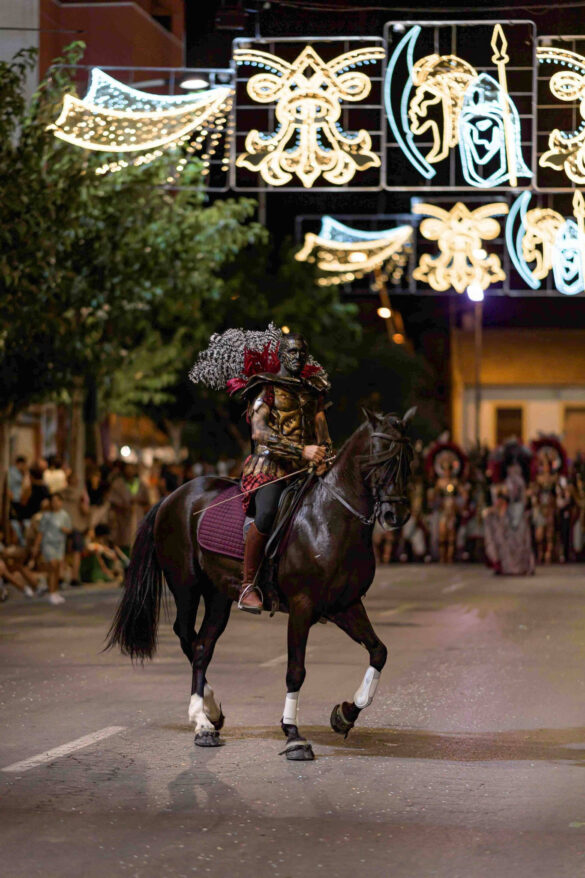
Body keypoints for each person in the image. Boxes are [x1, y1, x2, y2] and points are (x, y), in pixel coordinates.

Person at [189, 325, 333, 612]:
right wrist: (301, 450)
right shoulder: (265, 388)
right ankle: (247, 585)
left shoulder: (314, 391)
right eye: (292, 351)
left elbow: (323, 436)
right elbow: (260, 433)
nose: (298, 357)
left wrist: (326, 457)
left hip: (305, 469)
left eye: (302, 352)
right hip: (269, 465)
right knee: (267, 512)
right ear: (280, 354)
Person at [33, 493, 72, 605]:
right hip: (48, 544)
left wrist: (64, 529)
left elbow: (69, 529)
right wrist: (36, 546)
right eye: (53, 501)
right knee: (52, 565)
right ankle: (51, 592)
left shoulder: (64, 515)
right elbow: (40, 532)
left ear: (61, 502)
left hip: (59, 544)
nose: (55, 503)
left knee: (57, 568)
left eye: (57, 501)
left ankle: (55, 591)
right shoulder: (46, 516)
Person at [108, 463, 150, 557]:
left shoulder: (141, 484)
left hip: (137, 518)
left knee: (136, 541)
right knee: (123, 542)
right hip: (122, 520)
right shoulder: (118, 484)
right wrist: (124, 506)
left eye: (132, 468)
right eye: (127, 468)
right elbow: (112, 501)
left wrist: (137, 501)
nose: (130, 471)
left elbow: (147, 501)